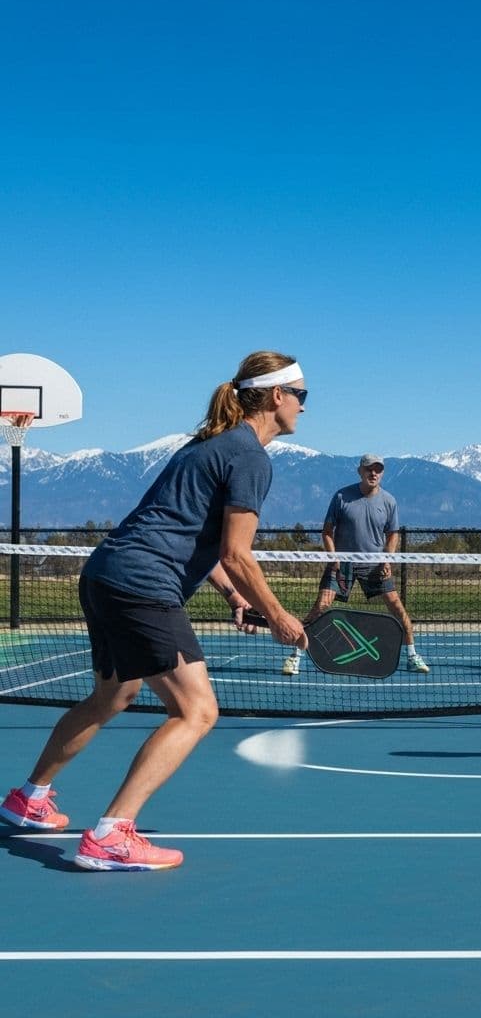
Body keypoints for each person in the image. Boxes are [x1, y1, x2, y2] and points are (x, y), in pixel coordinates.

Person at [0, 351, 309, 868]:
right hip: (143, 584)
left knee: (112, 696)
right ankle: (111, 835)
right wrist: (278, 615)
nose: (304, 406)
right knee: (196, 710)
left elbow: (192, 536)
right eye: (302, 395)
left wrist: (234, 596)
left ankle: (28, 799)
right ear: (277, 396)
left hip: (106, 574)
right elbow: (236, 552)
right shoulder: (251, 456)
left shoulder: (207, 445)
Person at [283, 453, 429, 675]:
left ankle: (412, 655)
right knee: (320, 607)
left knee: (398, 610)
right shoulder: (342, 496)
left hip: (375, 565)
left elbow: (392, 535)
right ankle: (295, 656)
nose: (373, 473)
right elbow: (327, 532)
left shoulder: (389, 501)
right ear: (360, 471)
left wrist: (386, 559)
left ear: (382, 473)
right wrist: (334, 559)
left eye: (378, 469)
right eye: (369, 469)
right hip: (343, 564)